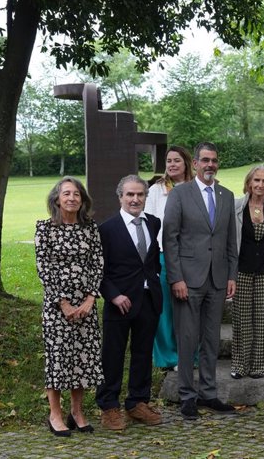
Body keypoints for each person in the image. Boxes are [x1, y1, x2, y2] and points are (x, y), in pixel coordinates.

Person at [163, 141, 238, 420]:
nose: (210, 165)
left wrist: (231, 274)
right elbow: (169, 239)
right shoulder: (180, 194)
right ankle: (187, 396)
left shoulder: (227, 195)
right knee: (187, 338)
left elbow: (231, 239)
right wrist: (176, 278)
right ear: (194, 163)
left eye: (214, 160)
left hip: (217, 280)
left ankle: (208, 393)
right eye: (205, 160)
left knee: (211, 339)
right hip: (188, 280)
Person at [35, 177, 104, 437]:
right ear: (57, 199)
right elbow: (44, 269)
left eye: (77, 194)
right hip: (56, 307)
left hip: (85, 306)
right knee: (58, 360)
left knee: (83, 360)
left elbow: (97, 265)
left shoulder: (91, 229)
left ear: (83, 200)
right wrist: (63, 303)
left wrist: (89, 300)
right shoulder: (45, 228)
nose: (72, 198)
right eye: (67, 194)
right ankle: (55, 414)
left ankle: (77, 412)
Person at [96, 175, 163, 430]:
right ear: (120, 197)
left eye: (140, 195)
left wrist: (153, 280)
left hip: (148, 299)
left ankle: (137, 402)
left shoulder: (153, 223)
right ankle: (108, 405)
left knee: (143, 354)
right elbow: (99, 269)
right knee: (112, 355)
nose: (135, 199)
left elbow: (151, 260)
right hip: (119, 302)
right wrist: (113, 294)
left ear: (146, 197)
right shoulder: (106, 229)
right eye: (130, 195)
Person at [145, 145, 195, 370]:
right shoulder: (157, 189)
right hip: (164, 253)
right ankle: (168, 356)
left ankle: (190, 355)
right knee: (164, 307)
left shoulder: (196, 188)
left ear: (186, 163)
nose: (172, 164)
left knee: (189, 308)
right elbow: (151, 221)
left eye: (177, 160)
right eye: (169, 161)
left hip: (191, 255)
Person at [230, 165, 264, 379]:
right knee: (241, 320)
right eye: (256, 180)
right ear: (249, 183)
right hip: (241, 271)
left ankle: (258, 367)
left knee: (262, 319)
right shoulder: (236, 207)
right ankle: (239, 366)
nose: (260, 185)